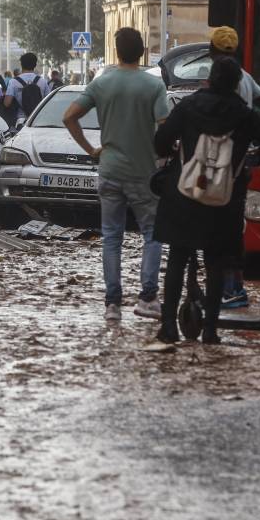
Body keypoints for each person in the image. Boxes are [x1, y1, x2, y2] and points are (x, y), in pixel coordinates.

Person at [150, 58, 260, 344]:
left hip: (183, 195)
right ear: (237, 84)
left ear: (209, 78)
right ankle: (210, 331)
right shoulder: (243, 114)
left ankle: (169, 328)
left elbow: (161, 141)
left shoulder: (188, 107)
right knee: (216, 261)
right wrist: (251, 157)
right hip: (223, 200)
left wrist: (178, 150)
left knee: (177, 258)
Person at [64, 28, 169, 322]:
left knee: (111, 237)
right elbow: (165, 124)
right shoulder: (153, 86)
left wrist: (90, 149)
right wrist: (162, 155)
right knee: (152, 233)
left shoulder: (102, 82)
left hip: (108, 168)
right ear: (143, 52)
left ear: (117, 51)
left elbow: (69, 116)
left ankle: (112, 305)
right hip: (143, 172)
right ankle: (147, 297)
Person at [207, 26, 260, 310]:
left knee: (220, 227)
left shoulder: (224, 81)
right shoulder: (247, 77)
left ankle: (230, 288)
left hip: (222, 163)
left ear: (211, 51)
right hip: (240, 162)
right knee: (232, 225)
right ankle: (227, 285)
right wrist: (254, 143)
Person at [4, 53, 50, 128]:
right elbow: (48, 103)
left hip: (21, 121)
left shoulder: (13, 82)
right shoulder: (42, 81)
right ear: (35, 65)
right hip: (38, 120)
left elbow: (7, 103)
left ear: (21, 65)